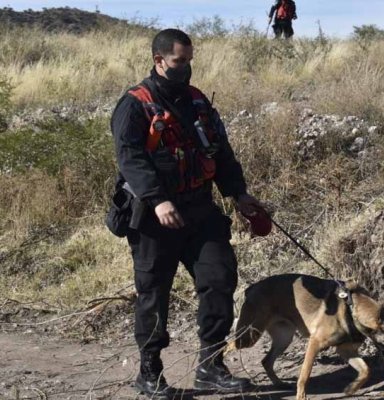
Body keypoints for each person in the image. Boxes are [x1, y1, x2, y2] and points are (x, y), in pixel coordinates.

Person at [110, 28, 265, 398]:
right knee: (153, 293)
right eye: (180, 62)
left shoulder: (198, 102)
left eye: (189, 61)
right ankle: (149, 374)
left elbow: (221, 154)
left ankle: (211, 366)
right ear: (158, 60)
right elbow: (129, 158)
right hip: (153, 218)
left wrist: (239, 195)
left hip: (200, 212)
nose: (186, 68)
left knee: (220, 280)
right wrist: (157, 199)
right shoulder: (134, 104)